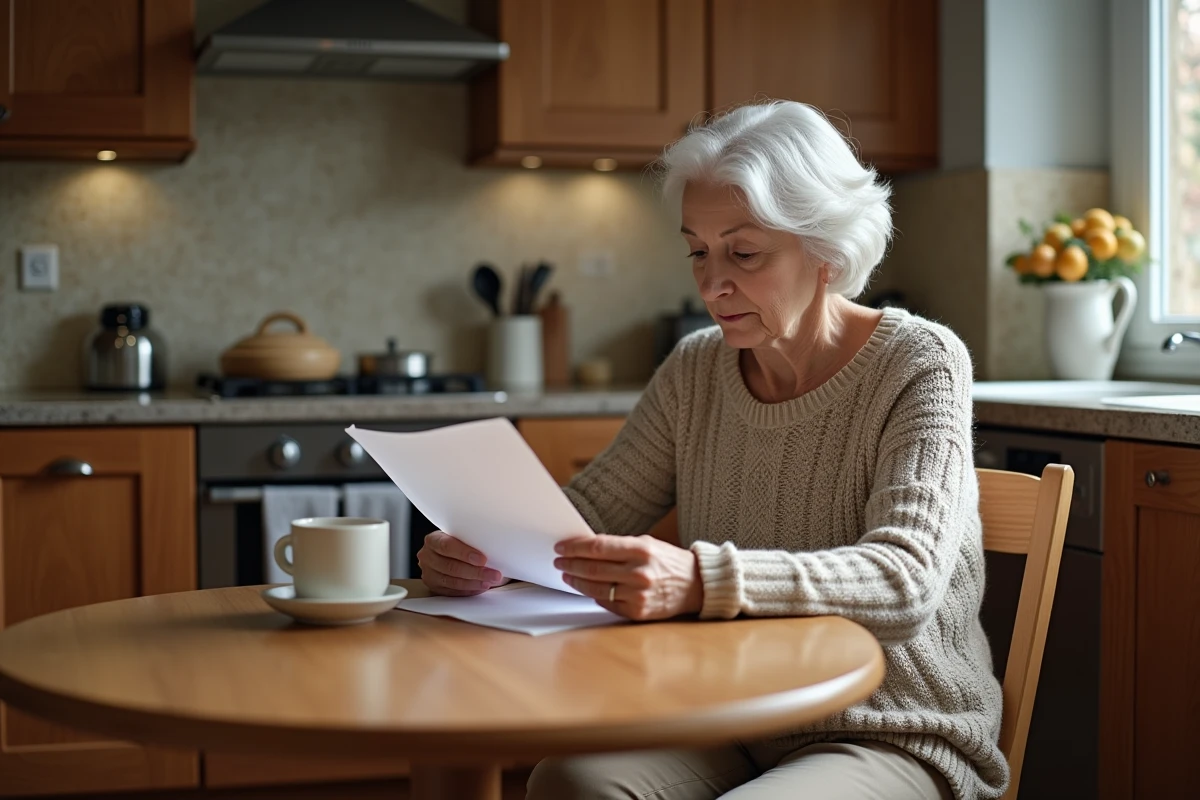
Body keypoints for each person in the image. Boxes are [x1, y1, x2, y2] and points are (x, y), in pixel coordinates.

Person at [417, 100, 1005, 800]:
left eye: (744, 252)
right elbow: (583, 519)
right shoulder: (697, 369)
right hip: (735, 713)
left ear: (826, 248)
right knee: (571, 784)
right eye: (698, 250)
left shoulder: (920, 363)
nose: (710, 282)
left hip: (895, 730)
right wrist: (486, 551)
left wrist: (701, 581)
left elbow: (904, 580)